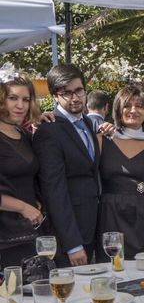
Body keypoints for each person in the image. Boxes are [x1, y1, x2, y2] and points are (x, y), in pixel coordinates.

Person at [33, 63, 101, 266]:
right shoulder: (49, 131)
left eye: (79, 90)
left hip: (92, 224)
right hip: (68, 235)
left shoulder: (89, 123)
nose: (75, 98)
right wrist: (72, 244)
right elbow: (54, 191)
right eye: (67, 93)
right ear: (55, 95)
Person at [97, 83, 144, 260]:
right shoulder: (103, 139)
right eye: (127, 105)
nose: (133, 110)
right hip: (111, 219)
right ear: (118, 109)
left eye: (139, 106)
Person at [0, 67, 43, 267]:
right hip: (4, 240)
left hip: (29, 232)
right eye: (13, 98)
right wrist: (23, 207)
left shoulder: (23, 134)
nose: (20, 105)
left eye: (26, 100)